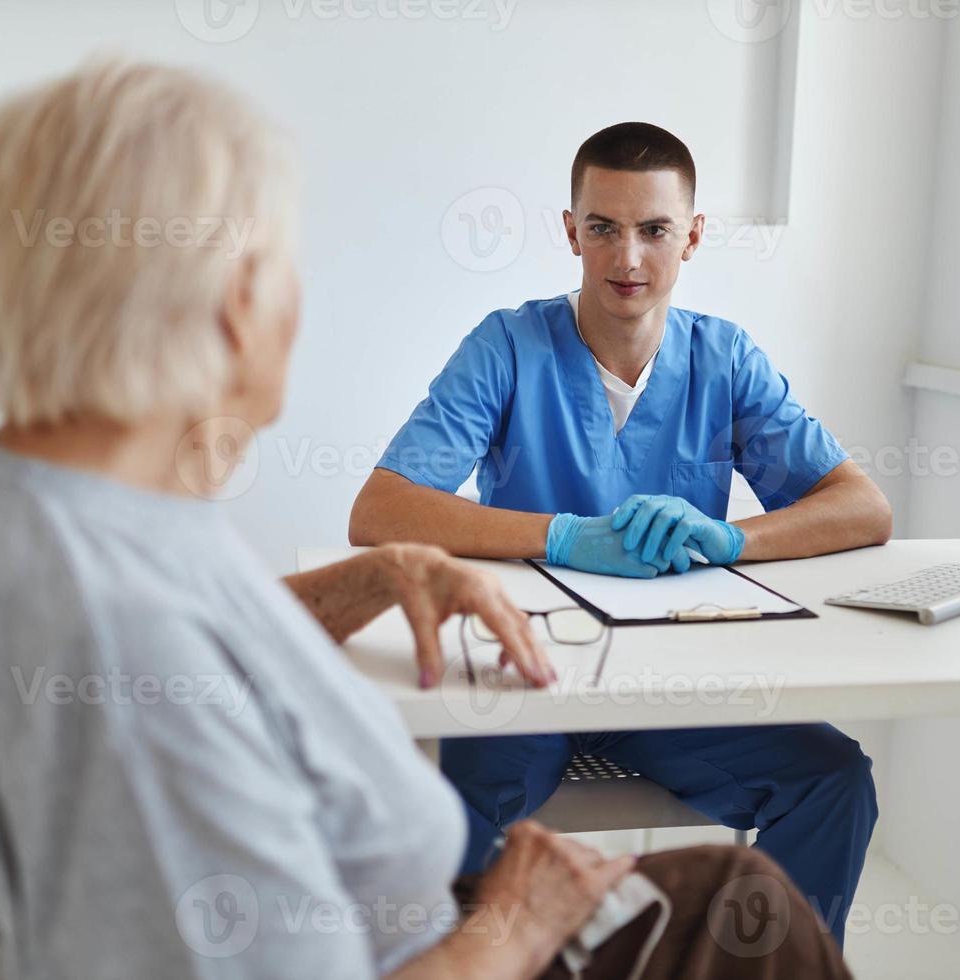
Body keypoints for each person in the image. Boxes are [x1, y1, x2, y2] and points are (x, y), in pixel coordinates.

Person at [0, 60, 851, 979]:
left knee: (771, 855)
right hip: (452, 932)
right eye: (281, 261)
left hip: (428, 897)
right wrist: (515, 914)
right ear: (232, 303)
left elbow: (201, 640)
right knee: (744, 906)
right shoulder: (107, 632)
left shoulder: (38, 494)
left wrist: (376, 577)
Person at [350, 122, 892, 942]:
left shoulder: (725, 360)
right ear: (572, 231)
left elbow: (863, 508)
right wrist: (562, 535)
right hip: (528, 675)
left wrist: (734, 541)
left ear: (693, 237)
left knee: (835, 783)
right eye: (602, 228)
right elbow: (381, 509)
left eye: (654, 230)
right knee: (443, 819)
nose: (627, 258)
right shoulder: (507, 347)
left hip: (676, 681)